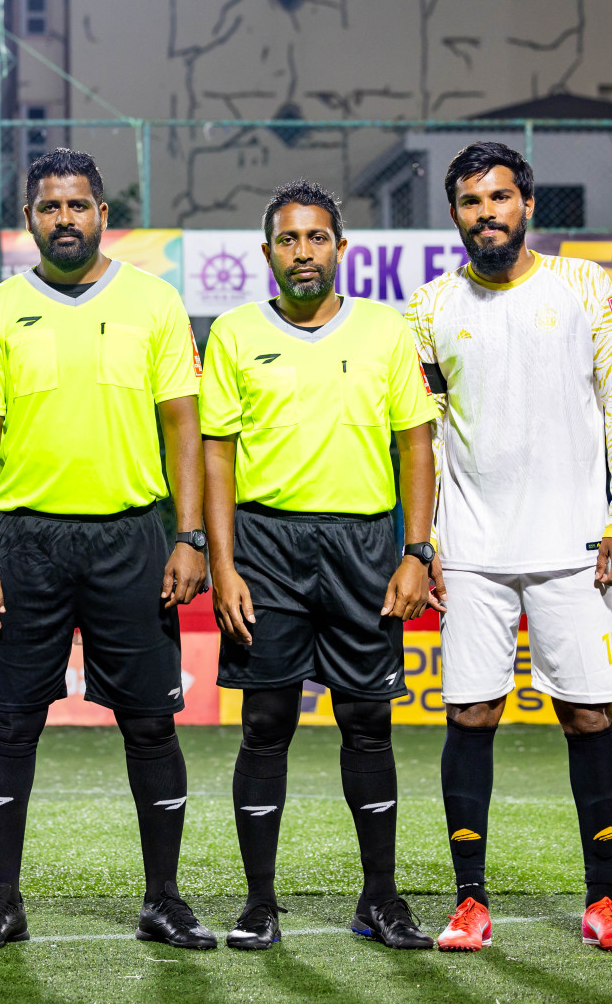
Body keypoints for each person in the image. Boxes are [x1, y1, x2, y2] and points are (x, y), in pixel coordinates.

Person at [0, 148, 210, 949]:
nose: (64, 218)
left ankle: (163, 898)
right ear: (29, 219)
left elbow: (183, 429)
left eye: (77, 205)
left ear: (103, 213)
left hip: (131, 536)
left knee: (150, 725)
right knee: (11, 722)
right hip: (27, 542)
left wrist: (190, 535)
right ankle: (3, 899)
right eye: (48, 207)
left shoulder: (154, 302)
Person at [406, 142, 612, 953]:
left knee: (587, 714)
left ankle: (603, 903)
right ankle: (470, 902)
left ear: (528, 204)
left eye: (500, 198)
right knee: (471, 711)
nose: (487, 214)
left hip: (575, 542)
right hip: (471, 547)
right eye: (472, 202)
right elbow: (426, 437)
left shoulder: (586, 286)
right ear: (455, 217)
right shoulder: (429, 306)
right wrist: (428, 539)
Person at [201, 181, 440, 952]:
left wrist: (418, 551)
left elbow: (417, 445)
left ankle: (380, 899)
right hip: (265, 548)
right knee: (265, 724)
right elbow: (217, 458)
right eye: (288, 240)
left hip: (366, 547)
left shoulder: (385, 330)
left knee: (367, 724)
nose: (303, 252)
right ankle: (259, 903)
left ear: (342, 246)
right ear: (266, 252)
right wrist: (223, 564)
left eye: (317, 238)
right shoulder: (235, 333)